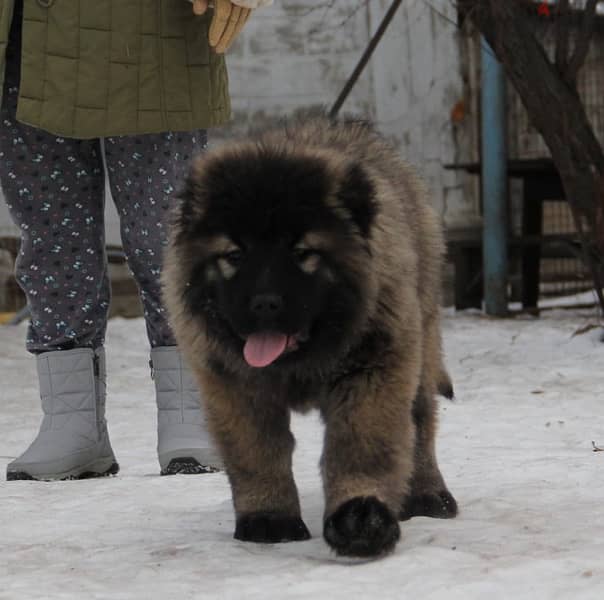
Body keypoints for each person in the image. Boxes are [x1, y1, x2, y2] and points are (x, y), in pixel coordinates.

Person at [1, 0, 272, 481]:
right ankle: (71, 421)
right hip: (20, 31)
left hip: (151, 26)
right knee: (51, 240)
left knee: (165, 229)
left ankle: (194, 410)